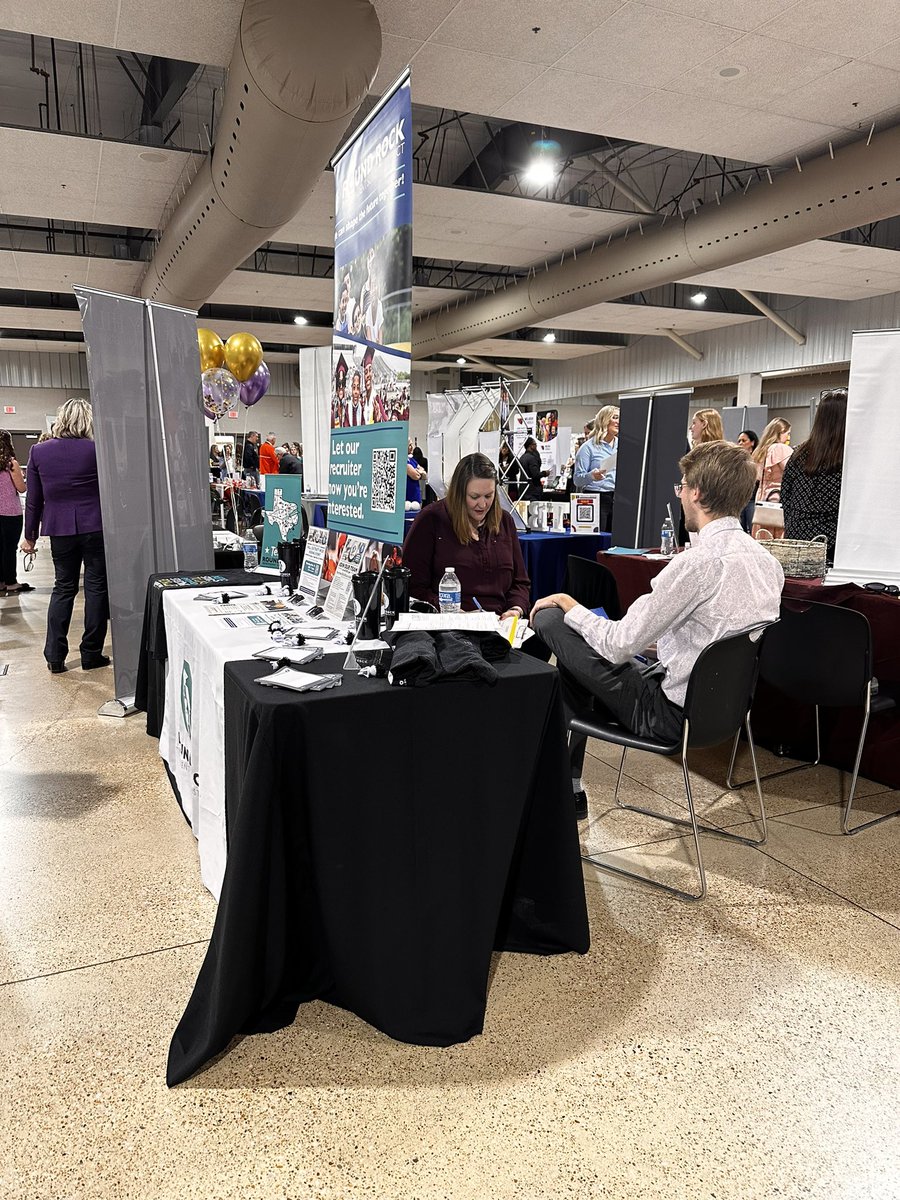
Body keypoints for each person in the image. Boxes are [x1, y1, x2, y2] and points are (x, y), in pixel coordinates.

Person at [531, 441, 783, 819]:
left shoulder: (695, 565)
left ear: (696, 493)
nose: (680, 495)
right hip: (727, 713)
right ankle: (568, 788)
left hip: (668, 717)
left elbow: (616, 646)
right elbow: (714, 640)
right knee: (578, 658)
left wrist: (570, 604)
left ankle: (567, 787)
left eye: (681, 486)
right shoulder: (767, 563)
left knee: (551, 620)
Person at [21, 398, 111, 674]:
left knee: (63, 588)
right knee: (96, 589)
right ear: (87, 420)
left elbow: (34, 500)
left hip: (59, 529)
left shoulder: (39, 452)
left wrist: (30, 537)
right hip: (95, 526)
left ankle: (55, 656)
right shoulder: (97, 450)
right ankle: (90, 653)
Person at [403, 452, 530, 619]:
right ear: (459, 493)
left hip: (500, 625)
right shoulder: (431, 520)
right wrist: (450, 610)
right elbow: (413, 587)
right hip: (449, 626)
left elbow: (520, 582)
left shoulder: (505, 521)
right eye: (474, 497)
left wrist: (515, 609)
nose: (483, 504)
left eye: (489, 496)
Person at [780, 389, 847, 563]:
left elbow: (786, 495)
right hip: (832, 544)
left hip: (797, 539)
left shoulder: (799, 453)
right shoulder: (848, 458)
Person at [573, 405, 619, 531]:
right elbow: (577, 479)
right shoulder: (588, 448)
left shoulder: (621, 446)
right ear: (604, 420)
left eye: (620, 418)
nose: (618, 422)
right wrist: (592, 476)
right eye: (615, 417)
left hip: (618, 499)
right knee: (598, 541)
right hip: (595, 499)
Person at [751, 418, 792, 538]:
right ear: (780, 432)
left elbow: (756, 476)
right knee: (776, 537)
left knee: (762, 534)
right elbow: (791, 472)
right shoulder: (780, 448)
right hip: (776, 498)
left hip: (762, 498)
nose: (788, 437)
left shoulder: (760, 451)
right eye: (787, 433)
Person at [0, 430, 27, 595]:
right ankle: (11, 581)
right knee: (9, 548)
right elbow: (21, 488)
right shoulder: (11, 464)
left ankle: (1, 581)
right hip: (11, 513)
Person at [518, 436, 548, 500]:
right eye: (535, 444)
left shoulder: (522, 457)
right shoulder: (532, 458)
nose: (536, 446)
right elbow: (535, 474)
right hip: (532, 491)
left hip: (523, 489)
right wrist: (545, 473)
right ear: (530, 446)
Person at [406, 440, 426, 508]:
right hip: (408, 498)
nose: (412, 447)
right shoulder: (403, 461)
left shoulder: (412, 460)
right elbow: (416, 476)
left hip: (416, 496)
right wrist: (419, 472)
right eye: (409, 445)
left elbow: (424, 474)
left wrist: (419, 472)